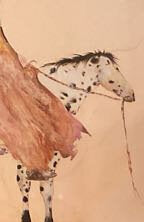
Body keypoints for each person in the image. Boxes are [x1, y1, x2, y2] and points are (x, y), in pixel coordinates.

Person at [0, 24, 83, 180]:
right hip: (6, 69)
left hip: (9, 65)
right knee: (22, 113)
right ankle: (35, 165)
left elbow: (5, 43)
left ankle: (39, 163)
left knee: (36, 105)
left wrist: (19, 63)